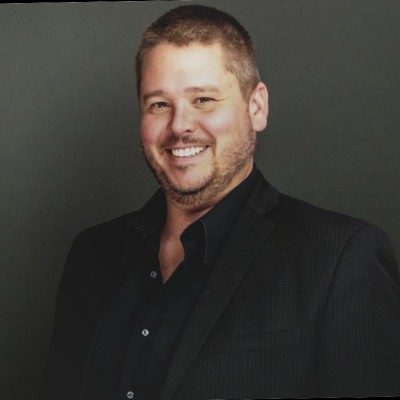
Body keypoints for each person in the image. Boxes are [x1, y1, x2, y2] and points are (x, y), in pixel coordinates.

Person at [40, 4, 400, 400]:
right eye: (159, 104)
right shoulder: (91, 254)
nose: (179, 125)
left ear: (256, 107)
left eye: (203, 99)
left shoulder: (341, 260)